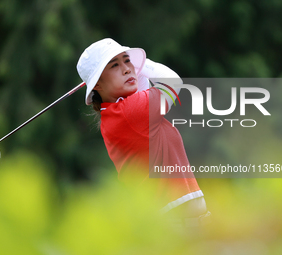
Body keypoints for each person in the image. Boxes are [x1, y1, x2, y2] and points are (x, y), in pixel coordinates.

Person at [77, 38, 209, 225]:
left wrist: (130, 69)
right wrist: (141, 65)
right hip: (174, 226)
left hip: (179, 223)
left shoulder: (117, 113)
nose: (126, 68)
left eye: (127, 60)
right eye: (114, 65)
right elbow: (173, 81)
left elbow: (143, 88)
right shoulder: (129, 112)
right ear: (97, 84)